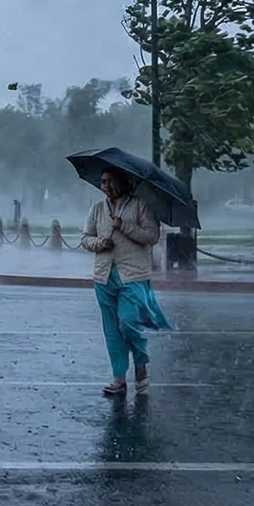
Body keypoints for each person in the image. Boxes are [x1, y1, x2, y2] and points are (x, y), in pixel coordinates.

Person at [80, 168, 170, 396]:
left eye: (110, 182)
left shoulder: (140, 205)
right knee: (112, 331)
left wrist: (124, 227)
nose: (106, 186)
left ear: (122, 182)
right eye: (102, 182)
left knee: (128, 323)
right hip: (103, 277)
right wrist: (100, 244)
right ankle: (119, 378)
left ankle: (141, 364)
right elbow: (85, 238)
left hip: (133, 276)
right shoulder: (97, 208)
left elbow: (152, 236)